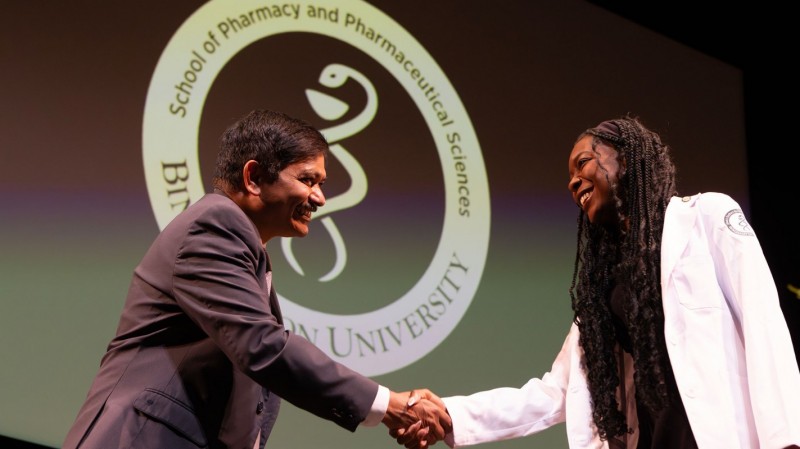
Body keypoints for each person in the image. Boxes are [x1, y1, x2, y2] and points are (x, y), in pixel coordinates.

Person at [392, 116, 800, 448]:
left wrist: (785, 441)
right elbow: (554, 392)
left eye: (584, 163)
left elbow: (763, 324)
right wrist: (449, 415)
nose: (573, 183)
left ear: (625, 158)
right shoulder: (603, 290)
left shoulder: (706, 218)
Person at [62, 109, 451, 449]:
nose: (319, 198)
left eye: (321, 183)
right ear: (253, 177)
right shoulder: (214, 224)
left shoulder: (246, 249)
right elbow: (263, 347)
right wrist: (389, 406)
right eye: (308, 180)